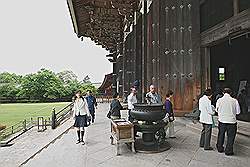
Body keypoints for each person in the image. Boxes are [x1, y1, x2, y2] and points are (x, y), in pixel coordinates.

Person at [216, 88, 241, 156]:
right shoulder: (234, 101)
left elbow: (217, 110)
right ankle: (228, 151)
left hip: (222, 121)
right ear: (230, 93)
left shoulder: (219, 100)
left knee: (221, 134)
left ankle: (220, 148)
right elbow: (238, 112)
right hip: (232, 121)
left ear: (223, 93)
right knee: (231, 137)